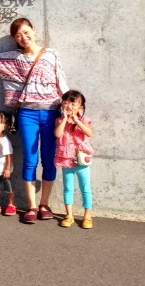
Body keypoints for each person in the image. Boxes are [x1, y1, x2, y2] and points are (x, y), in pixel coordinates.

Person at [0, 13, 69, 224]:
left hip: (51, 113)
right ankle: (31, 206)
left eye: (26, 32)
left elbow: (61, 81)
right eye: (18, 35)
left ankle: (44, 204)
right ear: (15, 39)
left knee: (49, 159)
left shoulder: (51, 54)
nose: (23, 37)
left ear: (33, 31)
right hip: (27, 113)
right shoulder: (16, 58)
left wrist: (70, 109)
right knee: (30, 160)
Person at [54, 90, 94, 229]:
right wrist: (65, 119)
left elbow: (89, 132)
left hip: (81, 160)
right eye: (66, 102)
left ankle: (87, 216)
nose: (69, 106)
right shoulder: (60, 121)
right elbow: (57, 134)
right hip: (66, 160)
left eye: (73, 103)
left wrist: (77, 120)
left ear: (80, 107)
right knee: (68, 188)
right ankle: (69, 215)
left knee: (85, 188)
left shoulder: (84, 120)